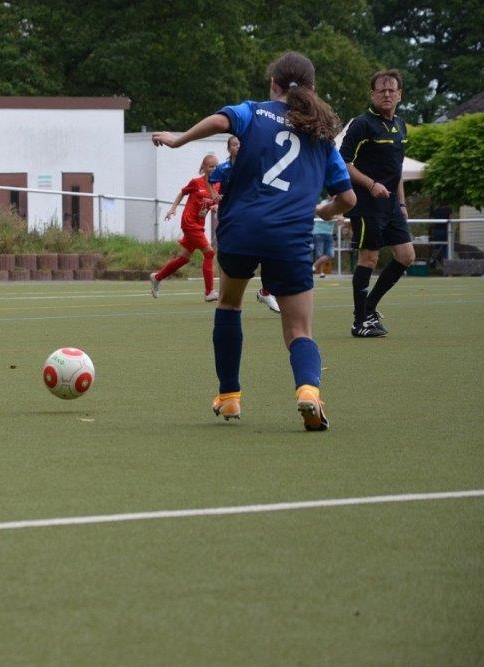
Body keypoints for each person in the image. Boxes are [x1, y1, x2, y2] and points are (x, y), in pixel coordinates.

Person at [151, 50, 356, 431]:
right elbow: (348, 199)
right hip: (289, 237)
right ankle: (308, 391)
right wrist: (325, 211)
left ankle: (229, 396)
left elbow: (219, 120)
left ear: (273, 84)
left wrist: (179, 141)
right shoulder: (323, 137)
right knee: (299, 330)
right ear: (312, 89)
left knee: (229, 304)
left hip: (241, 229)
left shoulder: (252, 111)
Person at [339, 68, 412, 338]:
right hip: (366, 203)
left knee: (406, 256)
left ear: (400, 95)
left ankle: (369, 308)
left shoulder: (401, 125)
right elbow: (343, 162)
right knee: (369, 257)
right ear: (372, 94)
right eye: (382, 90)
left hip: (391, 205)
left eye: (392, 90)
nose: (387, 94)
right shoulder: (362, 124)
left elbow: (397, 170)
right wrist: (371, 184)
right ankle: (360, 322)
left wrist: (402, 204)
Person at [210, 135, 281, 313]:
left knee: (268, 249)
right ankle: (225, 293)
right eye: (234, 144)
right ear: (229, 149)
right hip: (229, 217)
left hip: (249, 215)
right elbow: (211, 181)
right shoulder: (224, 168)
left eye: (241, 144)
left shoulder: (253, 165)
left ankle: (266, 291)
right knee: (228, 253)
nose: (238, 147)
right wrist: (215, 195)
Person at [150, 154, 219, 301]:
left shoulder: (217, 185)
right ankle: (209, 292)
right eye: (210, 166)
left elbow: (215, 202)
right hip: (189, 223)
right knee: (209, 253)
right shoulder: (196, 182)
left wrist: (215, 206)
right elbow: (182, 192)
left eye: (215, 166)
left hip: (199, 225)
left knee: (184, 258)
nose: (213, 169)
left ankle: (157, 277)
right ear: (204, 167)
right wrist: (173, 208)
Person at [312, 202, 336, 277]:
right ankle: (321, 272)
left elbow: (341, 218)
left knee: (330, 254)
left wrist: (336, 216)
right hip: (318, 232)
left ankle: (313, 266)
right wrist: (334, 216)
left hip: (329, 233)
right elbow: (324, 214)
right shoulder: (323, 203)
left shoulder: (338, 203)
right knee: (319, 254)